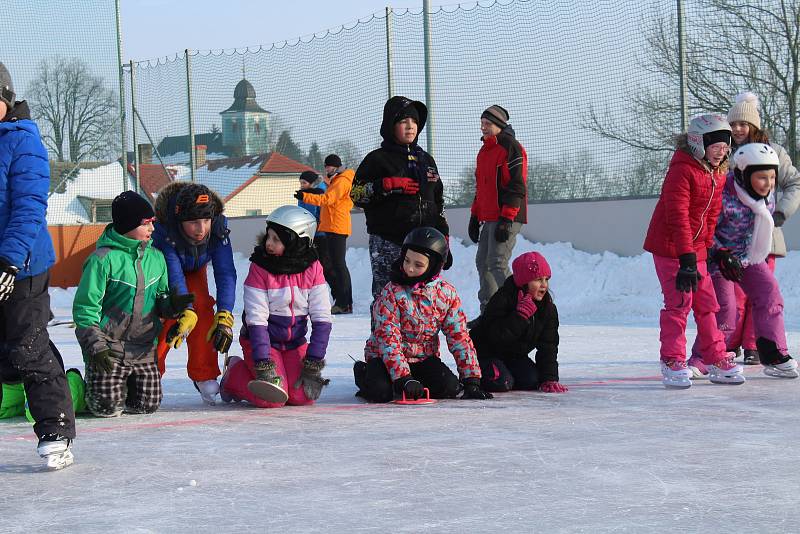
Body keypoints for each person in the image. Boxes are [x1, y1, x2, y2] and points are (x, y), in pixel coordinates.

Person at [0, 61, 76, 470]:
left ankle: (55, 430)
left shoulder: (22, 142)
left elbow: (28, 208)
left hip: (23, 267)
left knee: (28, 348)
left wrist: (8, 262)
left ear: (6, 101)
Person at [643, 113, 745, 388]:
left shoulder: (718, 173)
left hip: (695, 249)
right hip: (669, 249)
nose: (722, 152)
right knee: (679, 303)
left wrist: (713, 250)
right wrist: (687, 259)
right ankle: (672, 359)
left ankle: (715, 356)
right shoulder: (682, 170)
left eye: (726, 148)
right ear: (700, 143)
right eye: (716, 147)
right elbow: (678, 216)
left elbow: (710, 217)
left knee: (707, 304)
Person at [73, 191, 192, 417]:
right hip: (109, 347)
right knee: (105, 408)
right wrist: (96, 347)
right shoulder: (103, 259)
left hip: (143, 348)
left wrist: (172, 306)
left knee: (147, 406)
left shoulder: (156, 258)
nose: (152, 229)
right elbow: (85, 309)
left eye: (153, 223)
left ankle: (122, 385)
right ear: (127, 225)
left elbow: (161, 299)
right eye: (146, 224)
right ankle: (77, 384)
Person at [353, 227, 492, 402]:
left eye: (418, 265)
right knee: (381, 392)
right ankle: (363, 371)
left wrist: (471, 380)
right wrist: (403, 378)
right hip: (384, 358)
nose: (409, 269)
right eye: (407, 260)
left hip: (423, 358)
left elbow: (459, 337)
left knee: (450, 388)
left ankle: (413, 379)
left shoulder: (445, 294)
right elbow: (388, 338)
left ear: (433, 267)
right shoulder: (391, 292)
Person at [699, 144, 797, 378]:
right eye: (762, 177)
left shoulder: (766, 199)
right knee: (727, 310)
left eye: (772, 177)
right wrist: (720, 253)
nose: (769, 183)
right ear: (743, 174)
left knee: (770, 293)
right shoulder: (723, 194)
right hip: (719, 259)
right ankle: (704, 358)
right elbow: (705, 229)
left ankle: (773, 353)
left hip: (748, 257)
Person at [219, 205, 332, 407]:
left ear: (297, 242)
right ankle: (234, 374)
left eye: (276, 239)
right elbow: (256, 320)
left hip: (294, 343)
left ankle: (265, 373)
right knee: (271, 400)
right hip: (262, 342)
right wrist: (263, 362)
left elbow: (322, 317)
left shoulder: (313, 268)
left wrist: (313, 362)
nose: (268, 244)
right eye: (268, 237)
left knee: (302, 396)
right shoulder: (260, 267)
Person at [350, 96, 451, 308]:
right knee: (387, 300)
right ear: (391, 125)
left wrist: (444, 237)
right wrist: (384, 185)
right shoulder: (376, 159)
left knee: (421, 303)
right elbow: (356, 195)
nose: (410, 126)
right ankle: (383, 340)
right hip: (388, 241)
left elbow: (438, 201)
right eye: (404, 121)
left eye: (414, 122)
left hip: (423, 245)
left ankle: (416, 342)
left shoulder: (426, 160)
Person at [724, 92, 800, 365]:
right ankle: (728, 343)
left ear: (754, 125)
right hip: (732, 238)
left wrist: (781, 212)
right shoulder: (724, 155)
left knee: (761, 293)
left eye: (743, 124)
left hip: (764, 236)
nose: (738, 129)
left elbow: (794, 183)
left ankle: (755, 345)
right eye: (733, 125)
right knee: (734, 295)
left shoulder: (775, 153)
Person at [153, 182, 237, 405]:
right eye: (193, 223)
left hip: (195, 268)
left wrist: (225, 314)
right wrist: (184, 310)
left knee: (204, 309)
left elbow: (226, 272)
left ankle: (205, 372)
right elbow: (173, 273)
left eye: (206, 221)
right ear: (180, 220)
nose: (201, 229)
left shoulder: (217, 229)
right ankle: (151, 371)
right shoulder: (164, 231)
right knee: (171, 316)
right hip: (162, 270)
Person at [469, 251, 567, 393]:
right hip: (485, 353)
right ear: (524, 282)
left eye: (546, 279)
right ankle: (472, 375)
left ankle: (506, 372)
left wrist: (549, 378)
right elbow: (494, 336)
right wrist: (519, 317)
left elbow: (548, 346)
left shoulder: (548, 309)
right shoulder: (503, 298)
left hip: (513, 356)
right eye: (538, 280)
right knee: (502, 382)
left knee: (531, 381)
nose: (544, 285)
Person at [468, 105, 528, 316]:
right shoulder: (484, 151)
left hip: (507, 215)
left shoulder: (510, 147)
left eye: (488, 124)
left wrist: (507, 218)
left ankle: (519, 309)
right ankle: (490, 314)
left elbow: (516, 186)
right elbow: (481, 189)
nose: (483, 127)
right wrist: (474, 216)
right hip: (489, 216)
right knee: (482, 261)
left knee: (497, 261)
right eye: (482, 123)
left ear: (500, 125)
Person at [295, 153, 354, 314]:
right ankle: (343, 301)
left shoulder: (342, 181)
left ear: (336, 166)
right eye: (326, 166)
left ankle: (344, 302)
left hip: (336, 227)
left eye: (329, 166)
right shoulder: (335, 181)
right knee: (336, 265)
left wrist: (306, 196)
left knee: (338, 266)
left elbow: (328, 199)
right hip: (330, 227)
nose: (327, 168)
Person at [297, 170, 333, 298]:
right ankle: (308, 293)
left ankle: (334, 292)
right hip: (307, 235)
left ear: (312, 183)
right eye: (300, 182)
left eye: (304, 182)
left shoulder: (320, 194)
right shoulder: (302, 196)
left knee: (325, 265)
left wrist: (316, 224)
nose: (302, 185)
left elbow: (321, 212)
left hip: (320, 235)